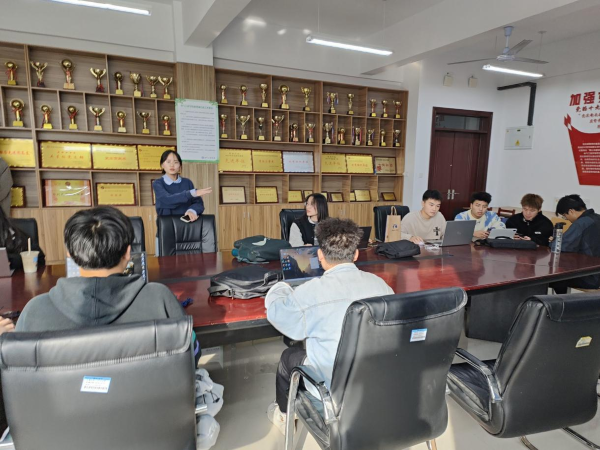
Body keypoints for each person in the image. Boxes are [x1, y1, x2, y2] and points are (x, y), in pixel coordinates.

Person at [15, 206, 200, 363]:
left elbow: (17, 369)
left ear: (70, 255)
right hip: (150, 395)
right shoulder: (160, 298)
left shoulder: (34, 311)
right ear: (128, 253)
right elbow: (192, 353)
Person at [265, 218, 394, 434]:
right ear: (355, 255)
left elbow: (279, 315)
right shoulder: (380, 285)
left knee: (289, 357)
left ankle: (285, 415)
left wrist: (281, 288)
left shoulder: (312, 291)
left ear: (320, 256)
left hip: (331, 390)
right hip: (375, 382)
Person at [550, 195, 600, 294]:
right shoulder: (597, 218)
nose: (566, 219)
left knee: (551, 279)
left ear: (571, 211)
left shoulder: (580, 224)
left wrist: (553, 241)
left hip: (591, 277)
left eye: (565, 215)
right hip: (596, 272)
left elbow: (560, 247)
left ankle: (562, 302)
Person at [152, 150, 212, 222]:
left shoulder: (187, 182)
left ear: (180, 166)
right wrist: (191, 193)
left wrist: (192, 210)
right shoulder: (158, 183)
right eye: (168, 162)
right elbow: (168, 200)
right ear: (162, 165)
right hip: (167, 225)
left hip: (187, 224)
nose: (172, 165)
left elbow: (199, 203)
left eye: (176, 162)